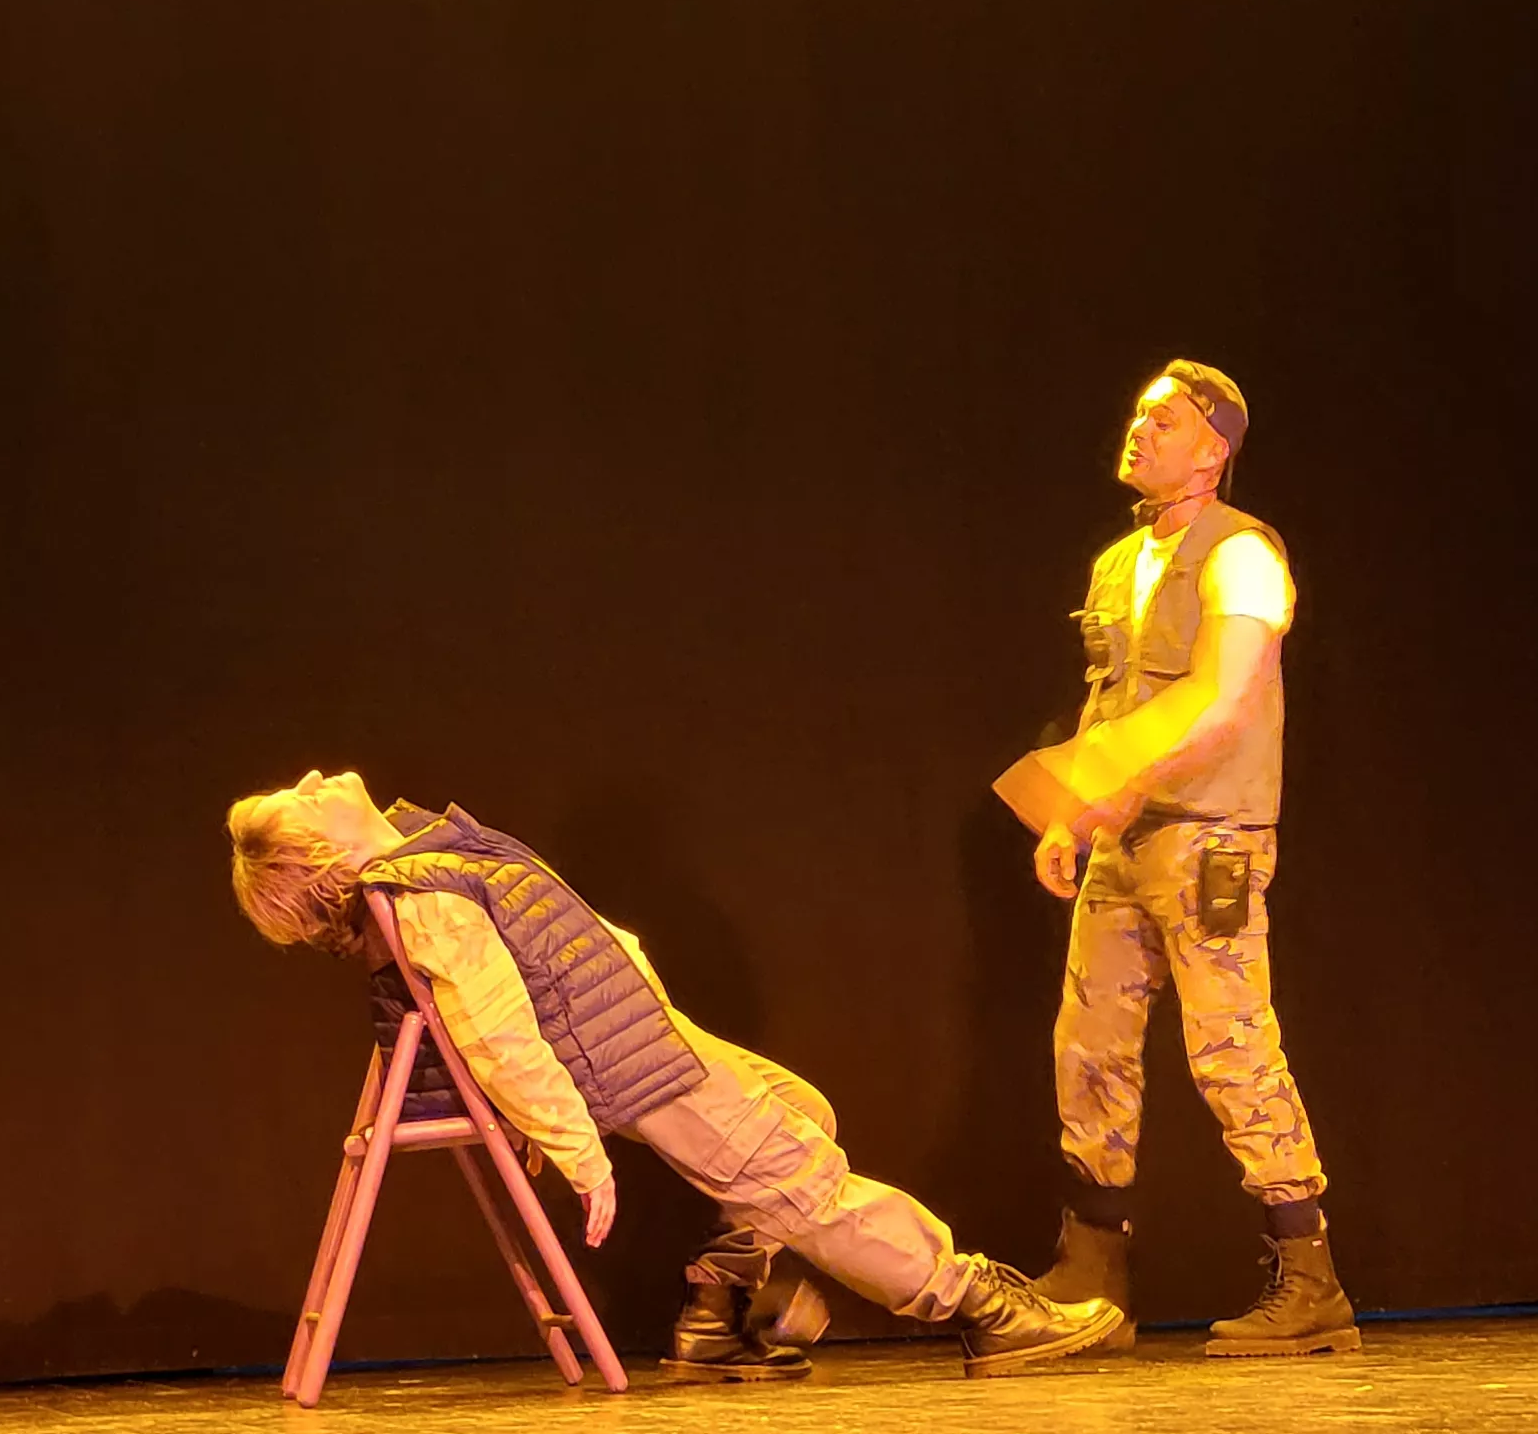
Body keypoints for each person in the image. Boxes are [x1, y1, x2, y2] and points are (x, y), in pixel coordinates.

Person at [228, 772, 1125, 1381]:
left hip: (649, 1036)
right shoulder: (422, 897)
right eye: (300, 800)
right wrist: (576, 1151)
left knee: (799, 1110)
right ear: (329, 859)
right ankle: (976, 1306)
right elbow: (499, 1037)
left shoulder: (428, 857)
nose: (312, 778)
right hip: (633, 1065)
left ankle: (713, 1315)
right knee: (802, 1183)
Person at [1029, 362, 1358, 1357]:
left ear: (1213, 450)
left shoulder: (1242, 553)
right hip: (1122, 837)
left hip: (1210, 835)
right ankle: (1092, 1272)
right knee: (1089, 1045)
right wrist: (1069, 814)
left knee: (1231, 1045)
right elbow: (1107, 703)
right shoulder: (1115, 565)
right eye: (1138, 417)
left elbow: (1226, 698)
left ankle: (1309, 1277)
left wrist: (1128, 790)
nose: (1139, 432)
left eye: (1163, 421)